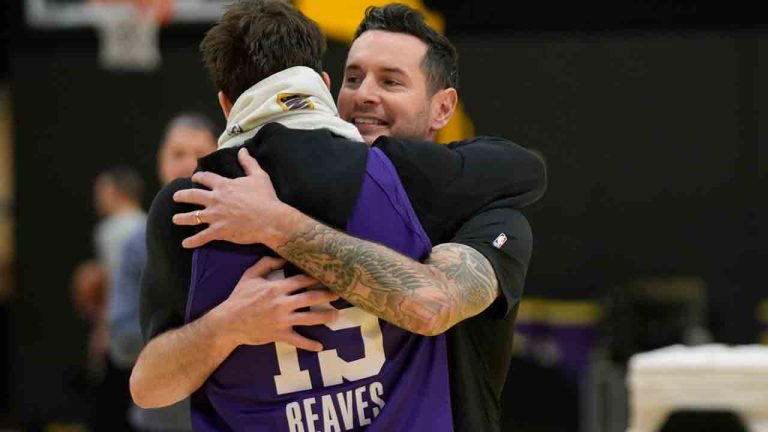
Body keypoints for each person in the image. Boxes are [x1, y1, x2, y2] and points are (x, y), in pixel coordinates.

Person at [131, 2, 545, 431]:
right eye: (353, 78)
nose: (364, 95)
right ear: (326, 87)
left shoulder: (482, 215)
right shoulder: (399, 179)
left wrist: (276, 223)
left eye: (391, 81)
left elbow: (430, 305)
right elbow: (146, 385)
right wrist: (226, 325)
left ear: (443, 108)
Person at [110, 113, 217, 431]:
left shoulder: (242, 232)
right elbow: (121, 339)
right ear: (160, 163)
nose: (188, 164)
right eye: (177, 153)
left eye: (199, 153)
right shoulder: (136, 244)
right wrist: (215, 331)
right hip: (163, 420)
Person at [91, 166, 147, 431]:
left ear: (115, 192)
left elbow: (111, 287)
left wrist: (101, 332)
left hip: (123, 332)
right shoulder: (148, 223)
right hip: (149, 329)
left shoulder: (110, 230)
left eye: (101, 191)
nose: (97, 197)